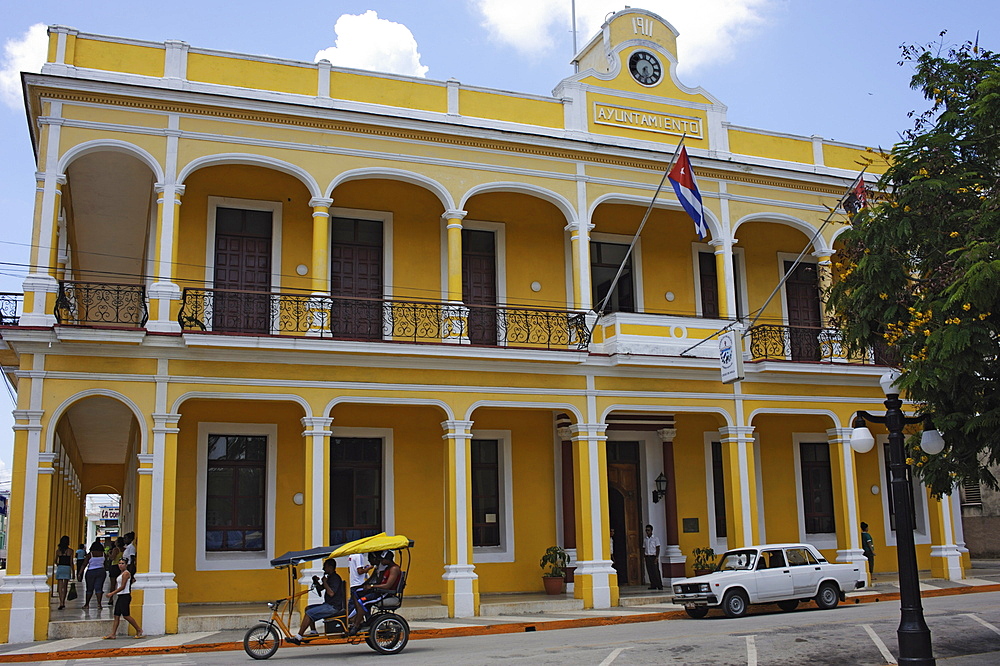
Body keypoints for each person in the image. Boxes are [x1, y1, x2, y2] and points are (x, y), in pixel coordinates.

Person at [286, 558, 344, 645]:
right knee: (308, 608)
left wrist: (324, 582)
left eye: (325, 566)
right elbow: (320, 590)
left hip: (333, 607)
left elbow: (331, 593)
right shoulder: (330, 578)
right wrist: (316, 581)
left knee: (309, 613)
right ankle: (313, 632)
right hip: (328, 604)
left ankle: (298, 637)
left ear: (331, 567)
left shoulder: (335, 578)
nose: (323, 569)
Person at [350, 551, 401, 634]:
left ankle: (356, 625)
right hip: (379, 591)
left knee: (362, 601)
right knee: (356, 593)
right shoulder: (385, 568)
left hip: (385, 593)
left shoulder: (394, 569)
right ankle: (361, 620)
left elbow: (387, 586)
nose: (381, 561)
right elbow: (376, 580)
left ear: (388, 559)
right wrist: (363, 586)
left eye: (382, 560)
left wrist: (372, 586)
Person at [103, 559, 143, 638]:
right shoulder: (121, 573)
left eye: (123, 563)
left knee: (126, 615)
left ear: (126, 565)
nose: (121, 565)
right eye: (120, 563)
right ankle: (113, 634)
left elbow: (123, 586)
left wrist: (112, 593)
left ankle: (139, 629)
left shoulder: (126, 574)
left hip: (125, 596)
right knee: (116, 615)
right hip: (120, 596)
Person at [82, 541, 107, 609]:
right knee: (99, 588)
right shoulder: (103, 554)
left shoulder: (90, 554)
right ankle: (99, 604)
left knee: (89, 589)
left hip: (91, 572)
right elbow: (105, 564)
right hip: (101, 571)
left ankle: (87, 604)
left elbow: (84, 564)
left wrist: (80, 573)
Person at [54, 535, 74, 610]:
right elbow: (71, 562)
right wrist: (73, 572)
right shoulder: (70, 551)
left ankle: (60, 602)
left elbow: (55, 561)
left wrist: (58, 564)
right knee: (65, 586)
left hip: (60, 568)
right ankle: (63, 601)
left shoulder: (58, 551)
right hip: (67, 568)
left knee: (60, 586)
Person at [643, 524, 663, 591]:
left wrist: (657, 557)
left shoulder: (655, 539)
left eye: (648, 530)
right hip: (647, 556)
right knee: (650, 571)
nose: (647, 532)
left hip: (653, 556)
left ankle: (659, 585)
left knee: (656, 571)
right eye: (646, 530)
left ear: (651, 531)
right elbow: (644, 548)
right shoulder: (645, 539)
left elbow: (658, 548)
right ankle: (653, 584)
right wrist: (644, 557)